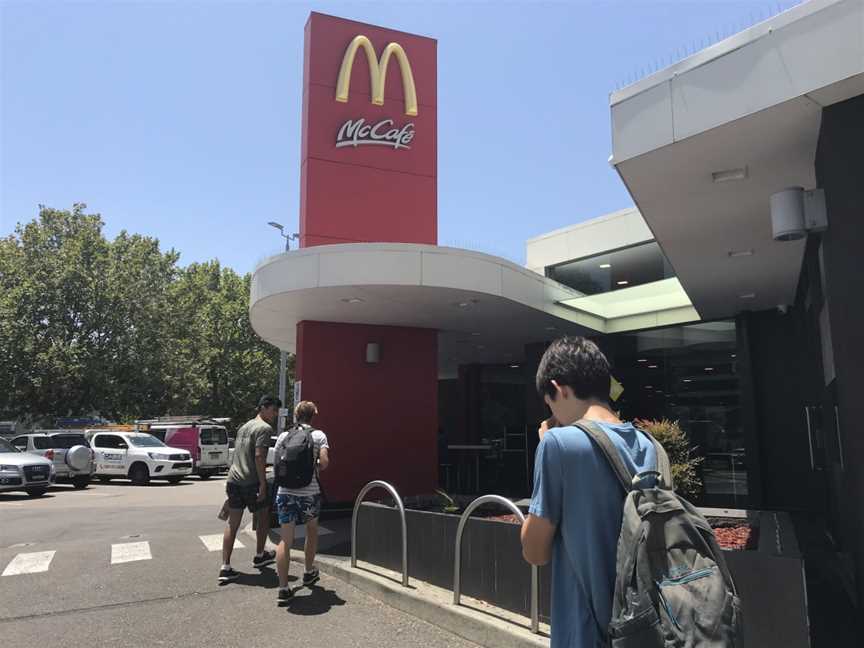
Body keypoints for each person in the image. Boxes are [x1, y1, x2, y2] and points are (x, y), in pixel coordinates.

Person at [520, 337, 657, 648]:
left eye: (550, 401)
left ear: (559, 388)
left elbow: (535, 552)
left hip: (586, 631)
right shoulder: (650, 445)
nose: (552, 411)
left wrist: (546, 448)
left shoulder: (558, 444)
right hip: (647, 627)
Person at [219, 395, 281, 583]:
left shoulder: (244, 427)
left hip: (233, 480)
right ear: (263, 407)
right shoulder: (264, 428)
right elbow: (259, 456)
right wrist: (263, 483)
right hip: (251, 482)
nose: (276, 414)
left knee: (232, 523)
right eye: (273, 409)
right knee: (263, 518)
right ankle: (260, 554)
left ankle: (226, 566)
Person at [274, 400, 330, 603]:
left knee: (285, 540)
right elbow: (324, 463)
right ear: (313, 414)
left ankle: (283, 587)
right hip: (309, 493)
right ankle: (308, 571)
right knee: (311, 531)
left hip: (285, 493)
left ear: (296, 415)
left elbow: (277, 462)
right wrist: (312, 464)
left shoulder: (283, 436)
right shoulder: (318, 435)